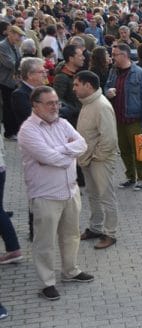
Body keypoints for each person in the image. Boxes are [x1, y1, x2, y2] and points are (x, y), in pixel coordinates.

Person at [18, 86, 91, 300]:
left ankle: (70, 271)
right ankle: (46, 282)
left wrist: (57, 151)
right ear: (35, 105)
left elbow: (82, 144)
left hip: (70, 191)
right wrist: (67, 152)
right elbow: (50, 158)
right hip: (45, 195)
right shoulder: (28, 130)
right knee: (45, 241)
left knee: (71, 235)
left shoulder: (63, 123)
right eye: (49, 103)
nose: (55, 106)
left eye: (56, 102)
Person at [73, 70, 119, 250]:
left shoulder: (101, 105)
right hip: (89, 159)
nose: (74, 88)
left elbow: (109, 139)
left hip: (100, 160)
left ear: (88, 86)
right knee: (93, 195)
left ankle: (110, 233)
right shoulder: (88, 103)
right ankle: (95, 228)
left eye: (77, 84)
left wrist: (95, 157)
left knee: (106, 197)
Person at [105, 43, 142, 191]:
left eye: (115, 55)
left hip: (134, 119)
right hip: (117, 118)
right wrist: (107, 92)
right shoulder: (113, 71)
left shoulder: (140, 73)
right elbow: (106, 86)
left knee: (138, 150)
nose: (112, 58)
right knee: (124, 149)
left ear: (124, 55)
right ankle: (130, 177)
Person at [0, 25, 24, 140]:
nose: (19, 38)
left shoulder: (15, 45)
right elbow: (10, 63)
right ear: (11, 34)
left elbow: (19, 60)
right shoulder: (2, 46)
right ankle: (9, 132)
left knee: (14, 106)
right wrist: (20, 65)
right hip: (6, 80)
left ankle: (16, 130)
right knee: (8, 107)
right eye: (18, 35)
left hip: (15, 80)